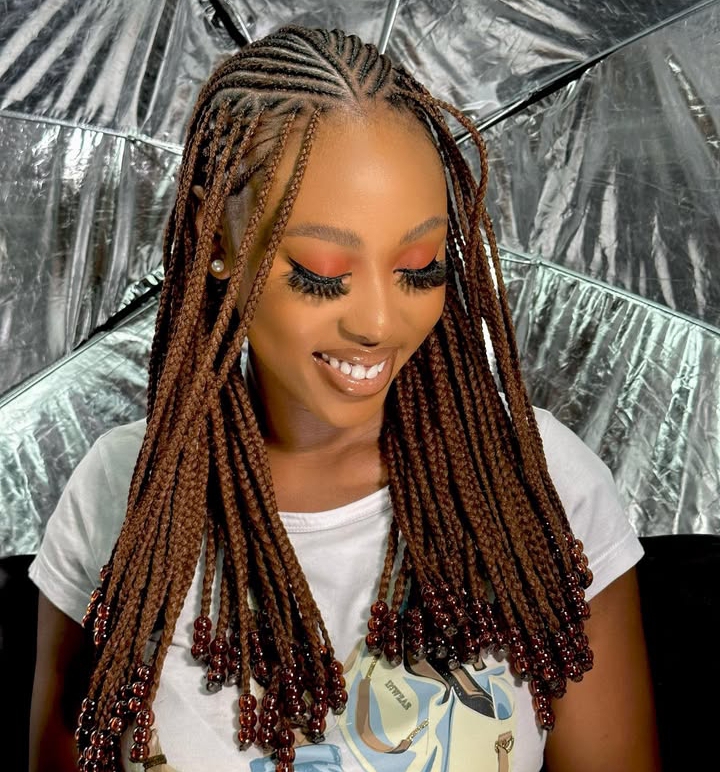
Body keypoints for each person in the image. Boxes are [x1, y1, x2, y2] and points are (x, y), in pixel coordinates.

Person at [28, 25, 660, 772]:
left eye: (419, 268)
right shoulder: (121, 498)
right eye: (323, 273)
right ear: (217, 235)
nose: (379, 323)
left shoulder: (538, 483)